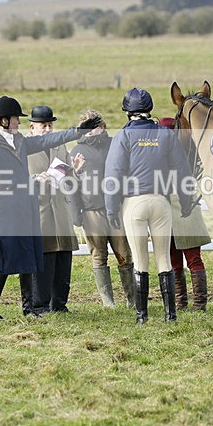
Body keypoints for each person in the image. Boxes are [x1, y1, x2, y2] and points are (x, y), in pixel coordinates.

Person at [0, 96, 100, 320]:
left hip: (25, 207)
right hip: (4, 210)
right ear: (4, 120)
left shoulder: (21, 142)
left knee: (27, 255)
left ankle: (29, 308)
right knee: (4, 260)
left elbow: (51, 140)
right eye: (16, 119)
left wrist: (77, 131)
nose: (19, 123)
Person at [104, 88, 195, 324]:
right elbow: (181, 171)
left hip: (134, 204)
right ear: (149, 109)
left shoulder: (123, 137)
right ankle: (170, 314)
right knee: (163, 258)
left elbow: (113, 176)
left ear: (128, 111)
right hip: (161, 203)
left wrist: (111, 209)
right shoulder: (166, 135)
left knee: (140, 259)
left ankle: (142, 315)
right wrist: (186, 202)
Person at [68, 109, 135, 309]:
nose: (89, 132)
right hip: (91, 211)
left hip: (117, 208)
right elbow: (72, 184)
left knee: (124, 254)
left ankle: (132, 299)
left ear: (102, 127)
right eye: (86, 129)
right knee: (99, 255)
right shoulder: (76, 152)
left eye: (93, 127)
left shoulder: (116, 144)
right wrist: (75, 212)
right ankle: (108, 302)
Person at [26, 105, 82, 315]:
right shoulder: (25, 148)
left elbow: (68, 181)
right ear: (32, 127)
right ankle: (40, 305)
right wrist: (34, 179)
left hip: (61, 210)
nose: (48, 130)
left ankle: (59, 304)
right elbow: (17, 179)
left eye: (50, 125)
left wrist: (74, 171)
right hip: (39, 210)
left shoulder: (60, 147)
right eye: (43, 126)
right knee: (44, 259)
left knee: (63, 258)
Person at [157, 117, 211, 311]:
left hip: (184, 208)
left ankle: (197, 303)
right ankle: (183, 302)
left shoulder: (186, 152)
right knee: (175, 260)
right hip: (167, 211)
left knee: (191, 258)